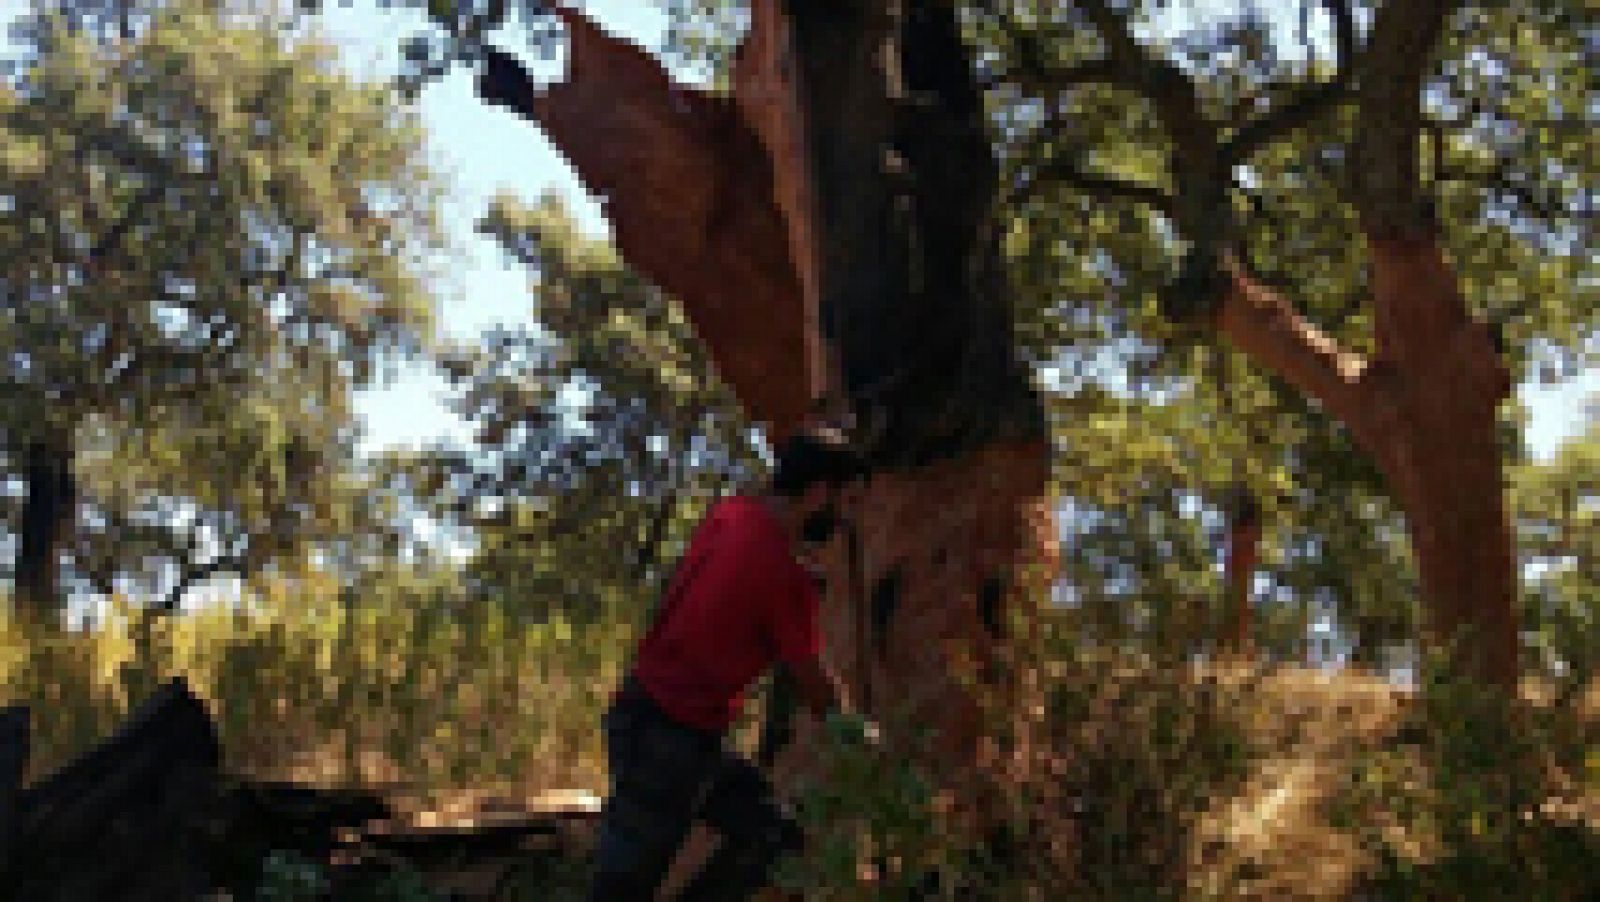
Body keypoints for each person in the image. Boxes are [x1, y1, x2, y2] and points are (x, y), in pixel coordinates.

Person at [587, 428, 873, 901]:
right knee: (622, 892)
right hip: (668, 741)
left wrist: (797, 574)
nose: (843, 521)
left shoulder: (730, 515)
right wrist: (853, 732)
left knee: (771, 835)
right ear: (820, 492)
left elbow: (734, 582)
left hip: (661, 723)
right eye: (845, 503)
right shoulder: (784, 580)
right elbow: (815, 683)